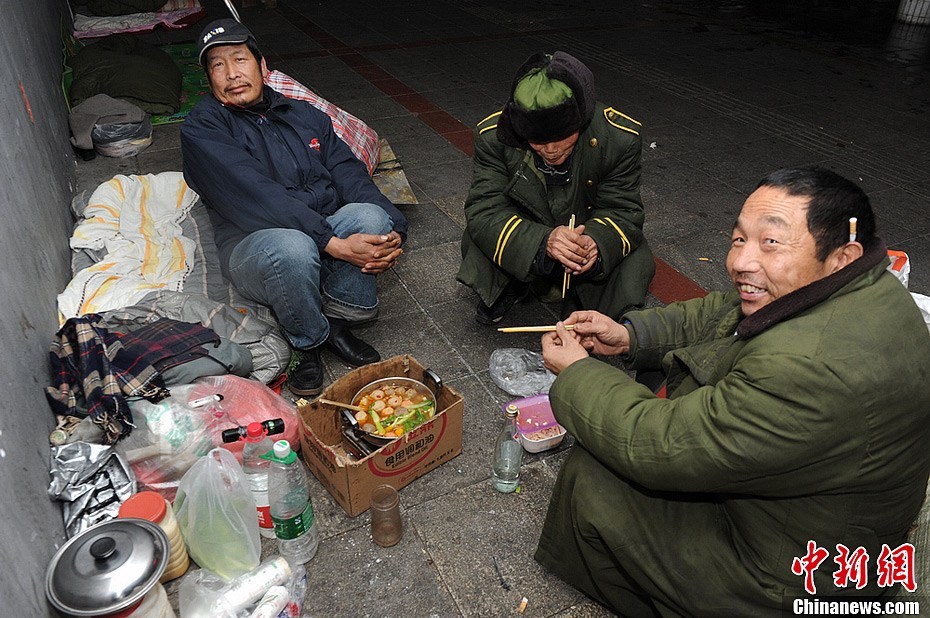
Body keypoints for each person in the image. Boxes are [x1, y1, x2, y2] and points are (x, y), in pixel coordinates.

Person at [536, 166, 930, 614]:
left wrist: (577, 372)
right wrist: (629, 335)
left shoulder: (807, 371)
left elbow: (657, 443)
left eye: (772, 242)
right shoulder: (868, 283)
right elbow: (722, 312)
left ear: (841, 255)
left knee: (594, 476)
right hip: (819, 524)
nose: (740, 261)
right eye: (740, 238)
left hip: (791, 582)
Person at [180, 19, 408, 396]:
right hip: (254, 246)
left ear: (262, 66)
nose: (232, 74)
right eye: (218, 66)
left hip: (318, 226)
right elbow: (258, 195)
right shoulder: (203, 129)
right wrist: (331, 242)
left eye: (239, 59)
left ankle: (335, 318)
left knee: (372, 216)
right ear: (209, 79)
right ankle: (306, 341)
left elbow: (349, 174)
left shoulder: (305, 115)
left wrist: (396, 228)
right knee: (293, 246)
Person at [457, 51, 655, 325]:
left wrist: (595, 243)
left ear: (581, 118)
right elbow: (484, 208)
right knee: (480, 236)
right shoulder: (494, 138)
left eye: (562, 137)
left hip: (583, 233)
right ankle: (508, 289)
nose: (550, 150)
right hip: (528, 238)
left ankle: (593, 301)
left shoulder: (618, 139)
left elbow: (623, 210)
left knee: (632, 254)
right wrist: (543, 242)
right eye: (537, 140)